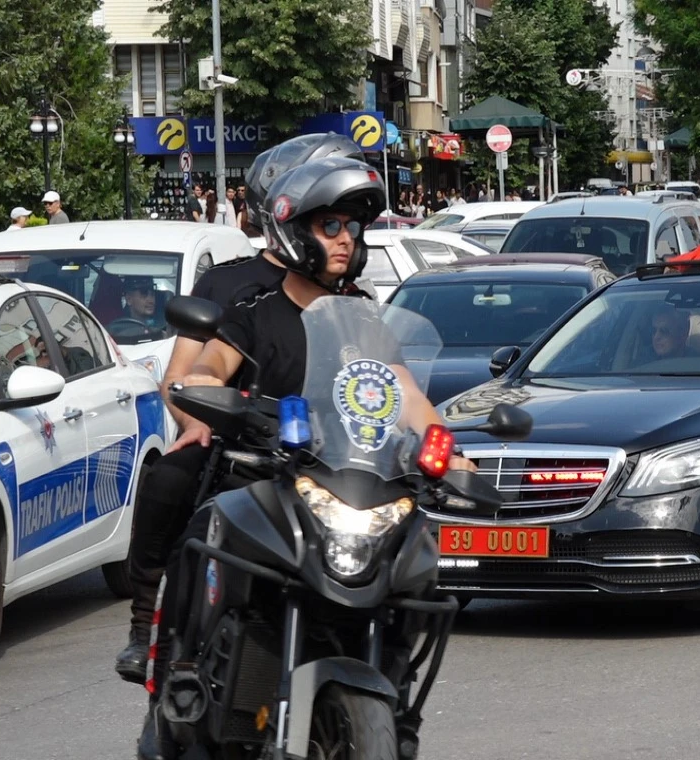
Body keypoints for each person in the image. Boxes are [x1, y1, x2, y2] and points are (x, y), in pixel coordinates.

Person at [135, 157, 475, 760]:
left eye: (353, 228)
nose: (347, 240)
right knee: (202, 532)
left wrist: (454, 458)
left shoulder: (364, 324)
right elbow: (207, 370)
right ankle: (181, 668)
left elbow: (409, 398)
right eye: (332, 226)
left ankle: (388, 698)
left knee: (413, 571)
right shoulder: (253, 312)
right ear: (295, 231)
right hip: (267, 476)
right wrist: (207, 405)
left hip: (350, 485)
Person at [115, 132, 368, 687]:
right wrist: (199, 418)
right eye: (326, 215)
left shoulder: (352, 300)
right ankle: (145, 627)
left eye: (347, 220)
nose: (342, 231)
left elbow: (384, 385)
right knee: (169, 478)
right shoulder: (229, 284)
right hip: (244, 450)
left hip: (329, 459)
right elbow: (182, 377)